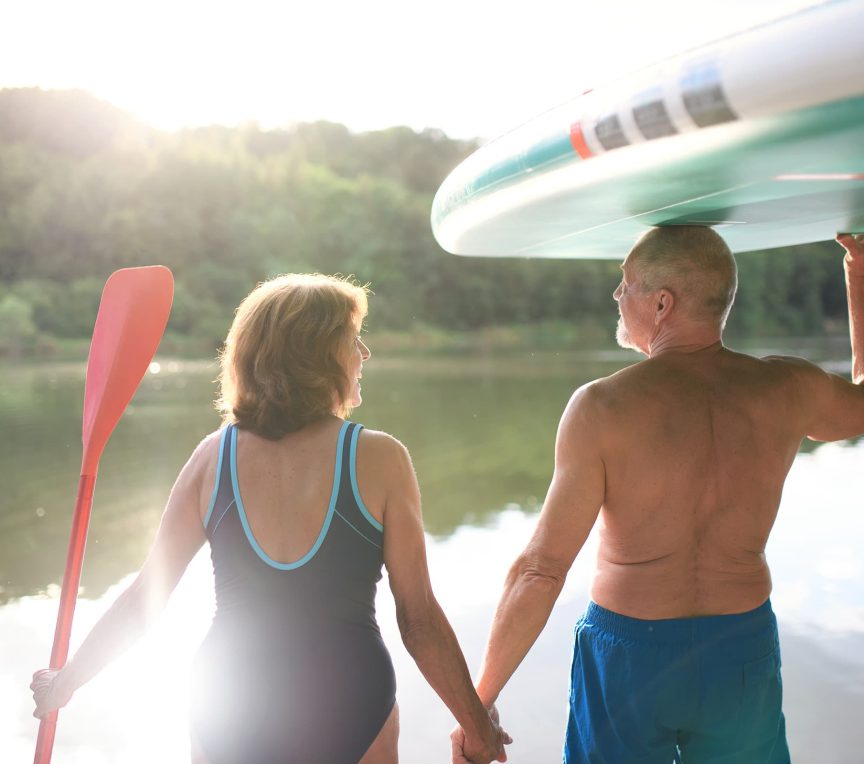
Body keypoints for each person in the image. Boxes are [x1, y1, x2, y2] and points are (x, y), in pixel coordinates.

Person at [32, 273, 510, 763]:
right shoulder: (380, 458)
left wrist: (68, 681)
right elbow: (419, 619)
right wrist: (477, 729)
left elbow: (146, 598)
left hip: (231, 704)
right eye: (352, 339)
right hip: (350, 700)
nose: (364, 354)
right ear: (315, 354)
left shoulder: (211, 458)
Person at [451, 229, 864, 763]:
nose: (617, 298)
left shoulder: (602, 407)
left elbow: (541, 571)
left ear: (662, 302)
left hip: (631, 655)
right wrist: (858, 273)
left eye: (625, 285)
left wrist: (478, 704)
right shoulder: (787, 388)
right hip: (738, 646)